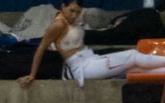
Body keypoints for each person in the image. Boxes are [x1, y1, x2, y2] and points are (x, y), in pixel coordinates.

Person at [19, 2, 165, 89]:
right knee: (132, 56)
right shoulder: (57, 26)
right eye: (71, 11)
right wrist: (32, 74)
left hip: (91, 59)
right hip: (82, 68)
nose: (74, 15)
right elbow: (41, 48)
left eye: (77, 12)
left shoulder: (73, 22)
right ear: (63, 6)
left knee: (136, 69)